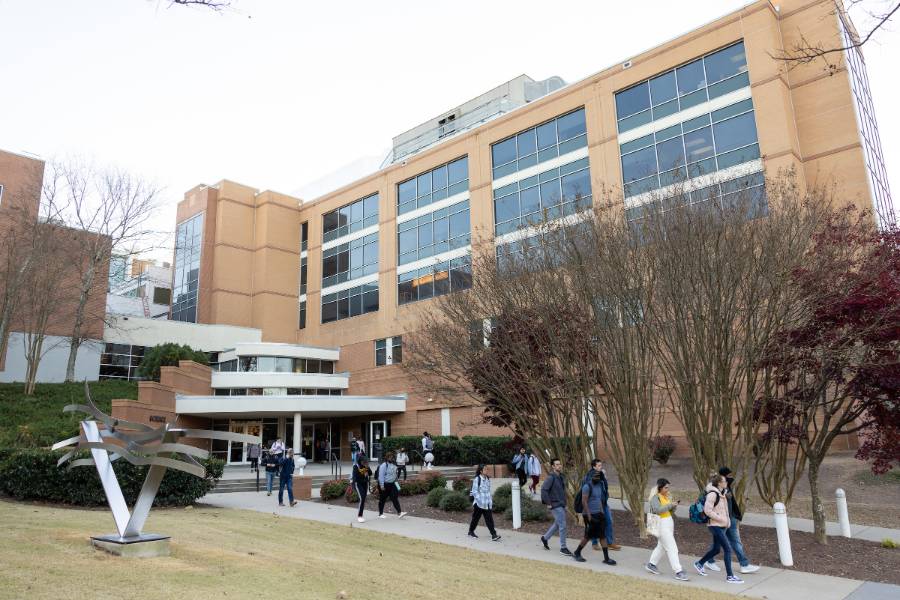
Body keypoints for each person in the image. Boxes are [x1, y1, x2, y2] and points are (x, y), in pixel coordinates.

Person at [703, 467, 760, 574]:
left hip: (730, 518)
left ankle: (743, 564)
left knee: (728, 541)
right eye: (728, 476)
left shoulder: (726, 486)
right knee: (724, 542)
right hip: (722, 520)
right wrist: (721, 518)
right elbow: (708, 510)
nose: (731, 478)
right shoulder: (714, 490)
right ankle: (709, 561)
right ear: (721, 478)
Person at [694, 474, 743, 584]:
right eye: (725, 481)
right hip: (715, 525)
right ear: (719, 483)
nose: (726, 483)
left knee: (716, 549)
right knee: (728, 549)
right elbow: (707, 510)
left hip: (721, 525)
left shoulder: (722, 494)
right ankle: (730, 576)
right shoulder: (713, 494)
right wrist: (720, 519)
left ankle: (699, 563)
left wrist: (726, 521)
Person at [572, 459, 616, 565]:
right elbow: (584, 501)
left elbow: (599, 500)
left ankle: (606, 558)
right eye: (596, 476)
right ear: (592, 477)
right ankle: (577, 552)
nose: (598, 478)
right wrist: (589, 515)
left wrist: (602, 512)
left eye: (599, 476)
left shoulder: (599, 486)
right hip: (589, 514)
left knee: (602, 535)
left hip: (599, 513)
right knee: (588, 536)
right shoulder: (587, 486)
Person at [645, 478, 689, 581]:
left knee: (661, 547)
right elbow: (658, 510)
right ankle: (678, 571)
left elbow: (669, 511)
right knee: (672, 548)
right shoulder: (655, 498)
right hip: (661, 525)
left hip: (668, 524)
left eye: (668, 487)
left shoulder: (666, 496)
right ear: (660, 487)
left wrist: (673, 506)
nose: (667, 489)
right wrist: (670, 505)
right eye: (666, 487)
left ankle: (651, 564)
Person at [539, 457, 572, 556]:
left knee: (558, 524)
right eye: (557, 464)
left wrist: (565, 504)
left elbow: (562, 492)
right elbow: (544, 490)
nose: (559, 466)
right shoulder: (551, 477)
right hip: (554, 504)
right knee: (563, 525)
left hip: (561, 504)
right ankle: (563, 547)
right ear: (553, 466)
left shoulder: (561, 476)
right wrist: (548, 503)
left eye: (560, 464)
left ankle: (545, 538)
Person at [590, 461, 621, 551]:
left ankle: (609, 542)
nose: (601, 467)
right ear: (594, 467)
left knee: (609, 521)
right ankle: (594, 543)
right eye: (599, 465)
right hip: (595, 505)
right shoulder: (591, 477)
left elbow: (604, 490)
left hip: (604, 504)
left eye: (601, 465)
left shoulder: (602, 476)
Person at [468, 464, 501, 541]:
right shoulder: (477, 479)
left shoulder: (487, 479)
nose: (487, 471)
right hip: (479, 504)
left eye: (487, 469)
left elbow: (488, 492)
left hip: (486, 504)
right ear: (481, 471)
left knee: (489, 519)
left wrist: (490, 501)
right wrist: (480, 501)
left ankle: (494, 535)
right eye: (485, 469)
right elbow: (475, 492)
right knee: (475, 519)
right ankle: (471, 531)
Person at [377, 451, 407, 518]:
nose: (392, 458)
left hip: (393, 484)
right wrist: (382, 485)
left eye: (392, 457)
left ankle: (399, 513)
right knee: (382, 499)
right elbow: (381, 476)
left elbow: (395, 476)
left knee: (394, 497)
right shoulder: (384, 465)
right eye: (390, 457)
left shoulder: (394, 465)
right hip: (385, 484)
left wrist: (398, 486)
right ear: (387, 458)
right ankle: (380, 513)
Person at [352, 455, 372, 523]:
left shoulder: (366, 466)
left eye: (366, 462)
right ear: (360, 461)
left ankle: (361, 515)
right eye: (364, 462)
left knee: (363, 499)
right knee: (362, 498)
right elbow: (355, 477)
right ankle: (360, 516)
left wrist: (368, 468)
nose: (365, 463)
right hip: (358, 484)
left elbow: (370, 474)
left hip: (365, 484)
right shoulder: (356, 466)